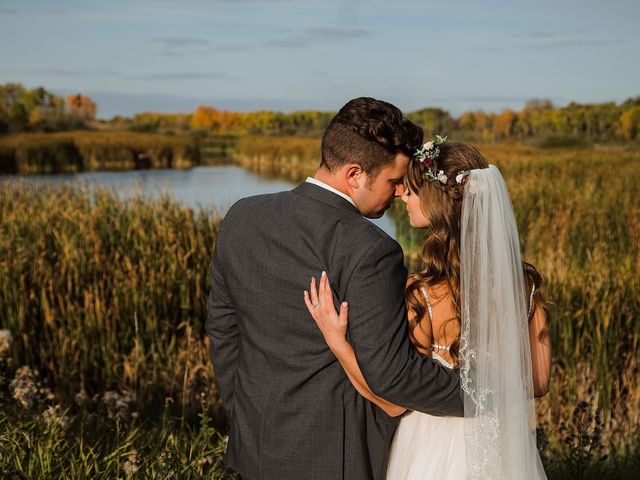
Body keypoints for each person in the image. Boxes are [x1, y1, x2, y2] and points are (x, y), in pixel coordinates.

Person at [207, 98, 464, 480]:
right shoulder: (371, 250)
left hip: (255, 447)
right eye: (394, 181)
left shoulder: (241, 216)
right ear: (355, 174)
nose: (397, 193)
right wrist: (483, 395)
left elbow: (224, 333)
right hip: (335, 457)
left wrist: (244, 412)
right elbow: (392, 373)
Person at [305, 139, 552, 479]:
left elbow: (393, 400)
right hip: (501, 444)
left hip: (429, 447)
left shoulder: (422, 293)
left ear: (437, 201)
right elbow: (538, 382)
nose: (403, 194)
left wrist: (338, 342)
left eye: (414, 188)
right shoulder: (524, 284)